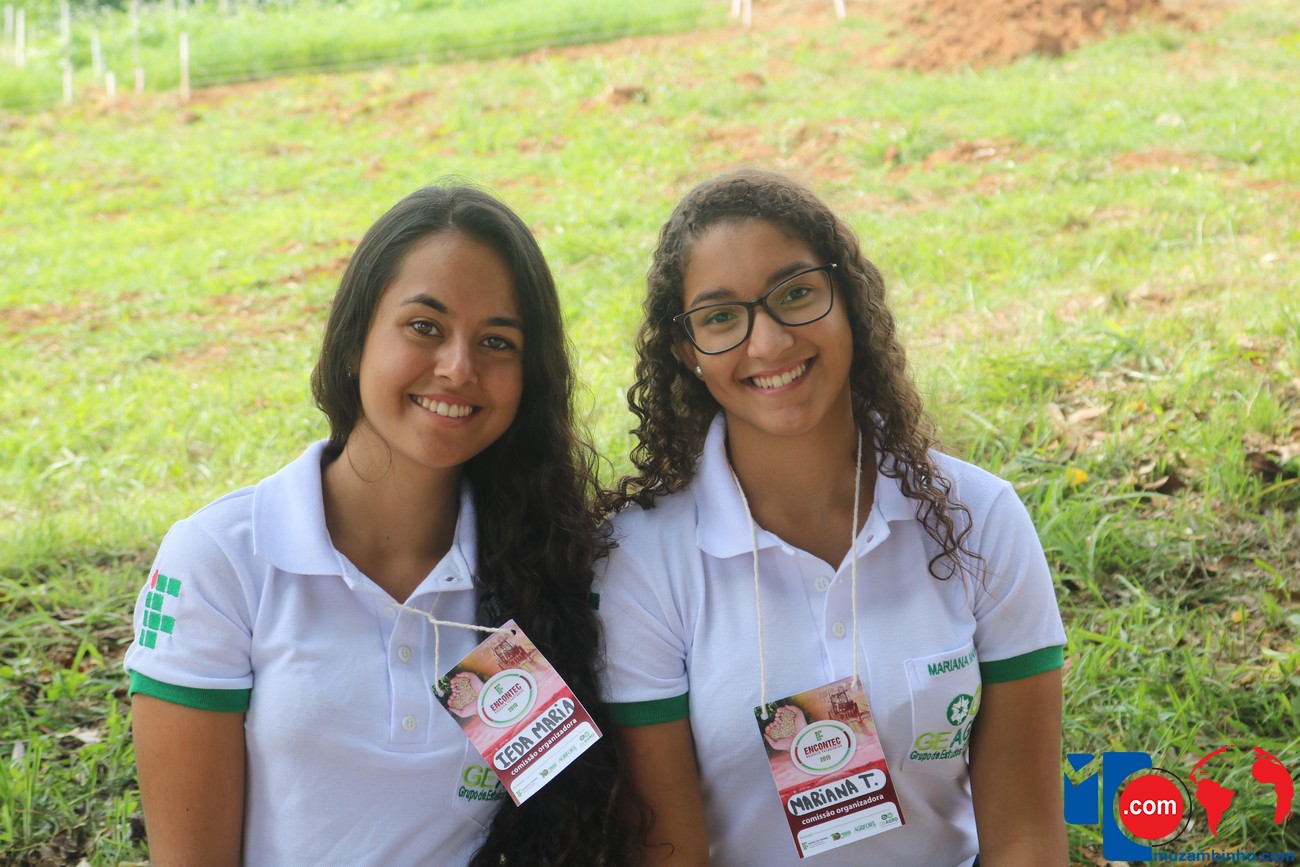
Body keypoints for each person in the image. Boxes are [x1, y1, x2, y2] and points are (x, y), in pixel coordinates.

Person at [124, 184, 631, 866]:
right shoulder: (221, 560)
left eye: (496, 341)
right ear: (353, 339)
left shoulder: (543, 560)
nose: (459, 367)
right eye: (424, 326)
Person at [598, 169, 1068, 865]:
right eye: (721, 317)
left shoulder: (980, 517)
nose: (768, 343)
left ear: (847, 298)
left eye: (795, 293)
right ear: (686, 352)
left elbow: (1026, 833)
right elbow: (669, 851)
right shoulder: (641, 561)